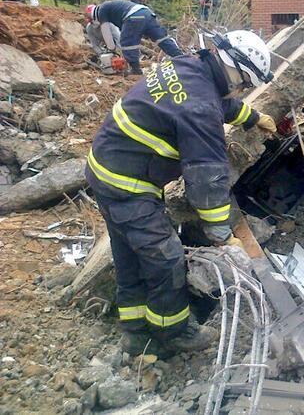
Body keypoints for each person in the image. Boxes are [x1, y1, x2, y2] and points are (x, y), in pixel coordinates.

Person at [86, 30, 277, 357]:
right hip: (126, 185)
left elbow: (216, 103)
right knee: (166, 257)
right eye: (244, 84)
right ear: (236, 70)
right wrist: (220, 232)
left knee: (130, 253)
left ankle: (134, 331)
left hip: (108, 168)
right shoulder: (200, 108)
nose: (241, 90)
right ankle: (173, 332)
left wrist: (253, 116)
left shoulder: (190, 67)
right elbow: (206, 178)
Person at [86, 0, 183, 75]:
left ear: (93, 16)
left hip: (134, 17)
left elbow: (106, 31)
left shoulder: (102, 10)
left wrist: (112, 49)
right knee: (161, 39)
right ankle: (182, 58)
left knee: (127, 43)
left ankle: (135, 70)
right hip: (147, 13)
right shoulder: (111, 8)